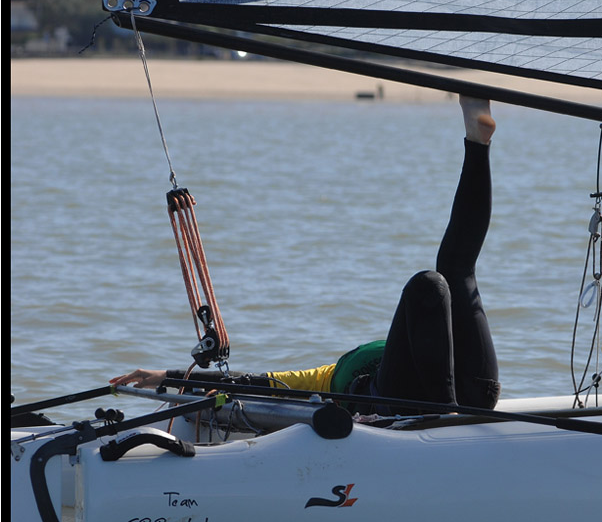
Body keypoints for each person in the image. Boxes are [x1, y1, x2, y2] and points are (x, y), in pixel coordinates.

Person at [111, 95, 502, 413]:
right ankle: (476, 142)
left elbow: (258, 381)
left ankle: (476, 138)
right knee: (438, 282)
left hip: (444, 396)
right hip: (440, 397)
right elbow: (259, 384)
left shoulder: (330, 374)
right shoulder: (324, 381)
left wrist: (171, 375)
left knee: (441, 278)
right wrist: (170, 377)